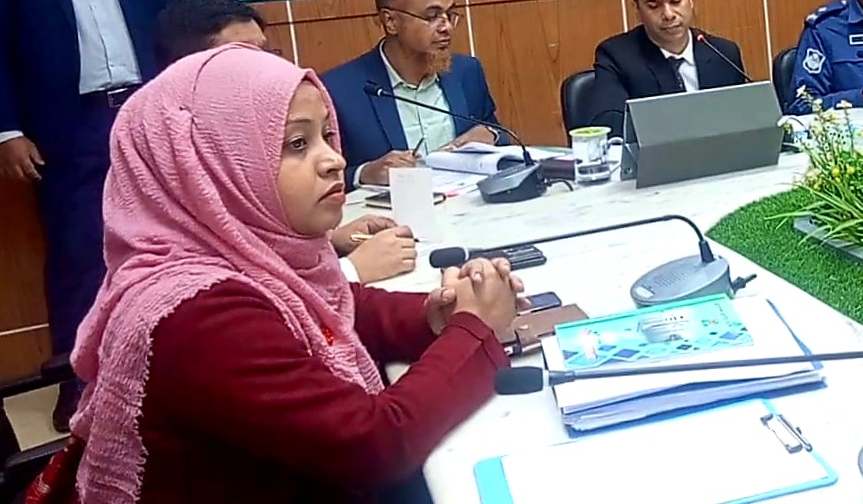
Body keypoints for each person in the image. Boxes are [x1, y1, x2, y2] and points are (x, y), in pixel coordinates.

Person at [24, 45, 522, 504]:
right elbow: (373, 447)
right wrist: (473, 330)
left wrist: (438, 312)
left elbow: (339, 307)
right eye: (296, 144)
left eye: (327, 135)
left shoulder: (246, 254)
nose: (334, 160)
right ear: (207, 166)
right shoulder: (198, 312)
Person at [0, 0, 183, 431]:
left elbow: (177, 29)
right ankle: (79, 381)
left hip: (147, 110)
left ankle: (170, 366)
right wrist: (7, 130)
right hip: (69, 126)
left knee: (170, 239)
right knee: (79, 254)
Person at [155, 0, 417, 284]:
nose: (335, 161)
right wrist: (349, 273)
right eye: (297, 145)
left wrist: (328, 242)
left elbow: (252, 249)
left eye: (266, 54)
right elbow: (241, 295)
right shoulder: (169, 197)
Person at [322, 0, 507, 187]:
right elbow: (318, 177)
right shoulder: (339, 91)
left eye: (449, 14)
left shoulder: (466, 72)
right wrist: (364, 173)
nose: (446, 27)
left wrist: (492, 134)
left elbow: (499, 135)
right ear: (391, 21)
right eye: (432, 16)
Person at [587, 0, 747, 136]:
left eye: (676, 1)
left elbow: (745, 121)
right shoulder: (617, 57)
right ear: (637, 8)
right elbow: (610, 125)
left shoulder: (724, 54)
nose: (669, 14)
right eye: (654, 6)